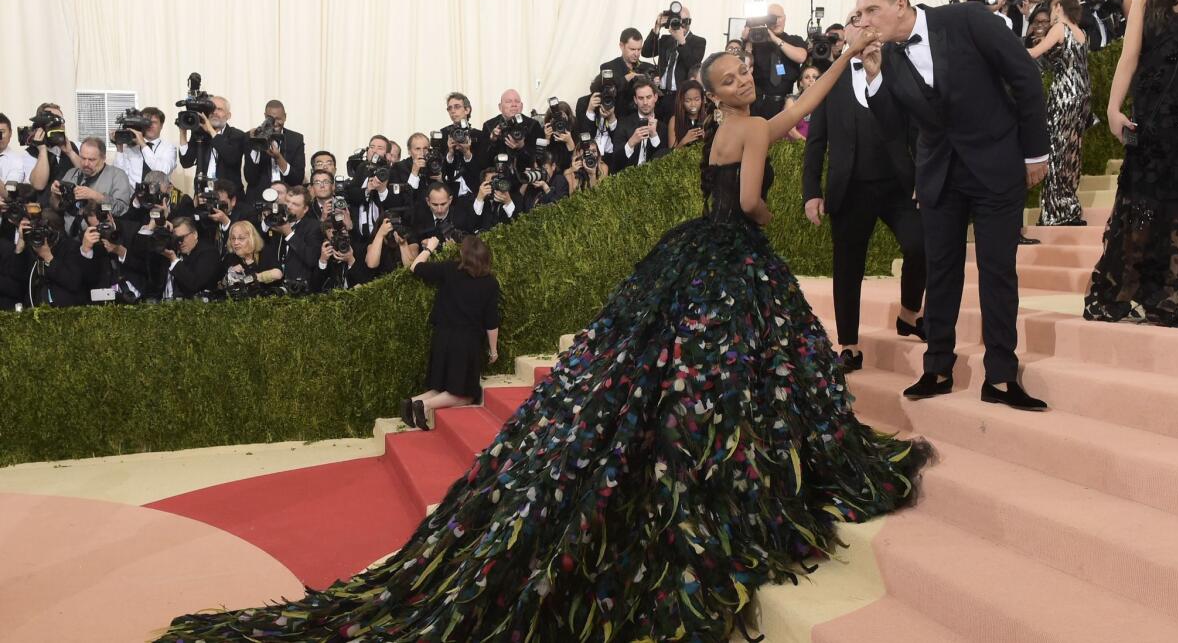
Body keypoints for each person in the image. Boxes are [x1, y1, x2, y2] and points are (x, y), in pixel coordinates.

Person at [157, 32, 933, 643]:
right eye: (731, 77)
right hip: (733, 259)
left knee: (676, 376)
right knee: (736, 374)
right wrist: (763, 219)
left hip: (692, 252)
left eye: (744, 75)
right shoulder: (757, 129)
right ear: (719, 88)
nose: (745, 83)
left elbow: (801, 106)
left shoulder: (727, 130)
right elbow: (759, 199)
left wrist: (835, 64)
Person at [856, 0, 1051, 411]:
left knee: (997, 270)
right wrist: (874, 78)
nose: (864, 20)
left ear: (901, 4)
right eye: (860, 14)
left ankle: (1001, 377)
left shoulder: (965, 19)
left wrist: (1035, 152)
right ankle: (937, 368)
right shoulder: (888, 55)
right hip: (939, 174)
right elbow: (892, 127)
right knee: (940, 271)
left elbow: (1023, 75)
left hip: (996, 163)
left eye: (872, 10)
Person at [803, 15, 925, 373]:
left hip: (898, 184)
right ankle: (849, 344)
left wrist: (923, 174)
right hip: (850, 187)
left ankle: (908, 313)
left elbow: (918, 127)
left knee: (921, 246)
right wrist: (811, 191)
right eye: (859, 29)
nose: (868, 35)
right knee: (848, 267)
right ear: (847, 37)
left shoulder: (901, 69)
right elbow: (816, 141)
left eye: (873, 29)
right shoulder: (833, 78)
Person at [1085, 0, 1178, 326]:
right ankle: (1133, 290)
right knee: (1140, 208)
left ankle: (1174, 295)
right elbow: (1128, 57)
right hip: (1149, 121)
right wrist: (1112, 108)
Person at [401, 234, 500, 431]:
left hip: (442, 338)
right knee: (466, 394)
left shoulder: (449, 269)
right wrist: (494, 350)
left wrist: (429, 248)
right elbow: (491, 321)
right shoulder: (490, 283)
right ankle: (424, 405)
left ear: (463, 254)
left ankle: (412, 401)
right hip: (467, 342)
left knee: (441, 387)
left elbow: (415, 267)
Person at [1029, 0, 1091, 227]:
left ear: (1058, 7)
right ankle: (1068, 207)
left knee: (1056, 149)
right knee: (1072, 152)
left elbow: (1035, 54)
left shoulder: (1060, 28)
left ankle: (1054, 213)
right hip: (1082, 96)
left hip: (1064, 94)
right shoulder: (1080, 32)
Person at [744, 3, 809, 118]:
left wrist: (774, 39)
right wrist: (747, 40)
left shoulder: (794, 39)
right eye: (772, 18)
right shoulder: (756, 42)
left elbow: (801, 57)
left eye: (779, 17)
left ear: (785, 18)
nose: (776, 21)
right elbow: (744, 65)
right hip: (759, 103)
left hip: (786, 103)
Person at [643, 4, 707, 119]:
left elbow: (693, 65)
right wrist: (656, 28)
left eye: (683, 21)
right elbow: (646, 52)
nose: (679, 24)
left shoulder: (698, 41)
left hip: (680, 96)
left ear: (688, 22)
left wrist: (682, 42)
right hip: (660, 94)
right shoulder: (665, 39)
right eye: (676, 20)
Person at [178, 95, 247, 197]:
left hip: (229, 197)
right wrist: (182, 132)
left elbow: (231, 158)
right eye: (211, 109)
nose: (214, 112)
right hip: (203, 195)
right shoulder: (199, 134)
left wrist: (210, 130)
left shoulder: (237, 135)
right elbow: (186, 162)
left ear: (228, 115)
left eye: (219, 109)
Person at [243, 100, 305, 199]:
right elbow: (250, 178)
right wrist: (256, 145)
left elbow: (297, 179)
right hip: (258, 196)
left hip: (287, 198)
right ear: (265, 116)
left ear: (285, 117)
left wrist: (279, 157)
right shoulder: (251, 136)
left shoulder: (296, 139)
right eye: (271, 119)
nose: (275, 123)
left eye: (279, 119)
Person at [611, 76, 669, 172]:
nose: (645, 102)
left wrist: (654, 135)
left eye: (648, 97)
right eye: (641, 98)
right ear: (635, 100)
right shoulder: (623, 124)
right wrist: (630, 143)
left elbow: (664, 162)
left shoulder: (662, 127)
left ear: (655, 97)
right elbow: (616, 161)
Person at [599, 28, 659, 119]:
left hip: (643, 121)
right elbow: (607, 94)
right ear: (621, 46)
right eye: (632, 49)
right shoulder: (608, 68)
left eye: (639, 49)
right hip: (618, 121)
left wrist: (656, 84)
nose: (636, 53)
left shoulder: (649, 68)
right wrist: (627, 78)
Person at [112, 106, 177, 187]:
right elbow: (119, 175)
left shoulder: (169, 148)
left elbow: (163, 171)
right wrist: (119, 148)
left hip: (158, 197)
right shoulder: (129, 146)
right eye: (146, 122)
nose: (150, 125)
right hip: (133, 197)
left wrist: (143, 144)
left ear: (161, 125)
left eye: (154, 122)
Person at [217, 220, 282, 297]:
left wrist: (249, 279)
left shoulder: (264, 252)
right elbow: (219, 287)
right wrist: (228, 276)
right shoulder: (230, 257)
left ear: (252, 239)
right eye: (233, 238)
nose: (236, 242)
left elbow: (278, 274)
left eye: (241, 238)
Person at [785, 65, 823, 141]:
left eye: (815, 77)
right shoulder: (792, 101)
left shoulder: (825, 103)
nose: (811, 79)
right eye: (807, 77)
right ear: (801, 83)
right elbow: (790, 131)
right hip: (795, 146)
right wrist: (807, 144)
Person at [668, 80, 706, 148]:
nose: (693, 104)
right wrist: (684, 141)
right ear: (681, 101)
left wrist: (706, 139)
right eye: (688, 101)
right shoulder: (674, 120)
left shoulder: (708, 118)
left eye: (697, 99)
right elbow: (670, 154)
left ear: (702, 100)